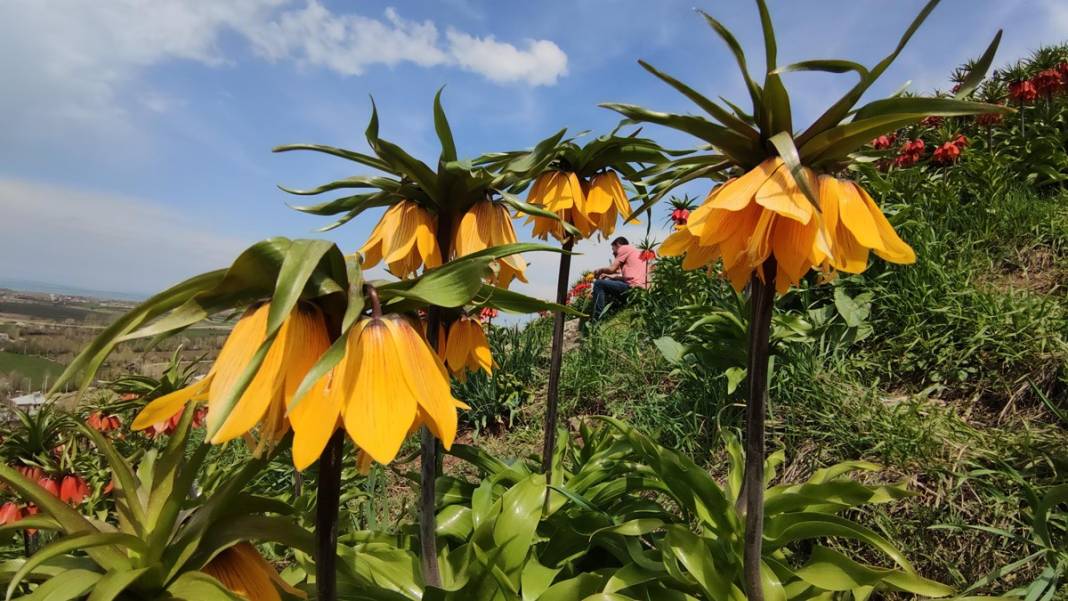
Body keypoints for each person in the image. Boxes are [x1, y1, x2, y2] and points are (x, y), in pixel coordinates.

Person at [590, 237, 648, 320]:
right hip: (641, 292)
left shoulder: (623, 248)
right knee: (609, 283)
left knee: (599, 284)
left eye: (614, 250)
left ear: (618, 245)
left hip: (633, 290)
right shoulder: (635, 252)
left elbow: (612, 269)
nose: (613, 254)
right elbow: (630, 278)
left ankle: (597, 319)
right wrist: (610, 276)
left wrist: (600, 270)